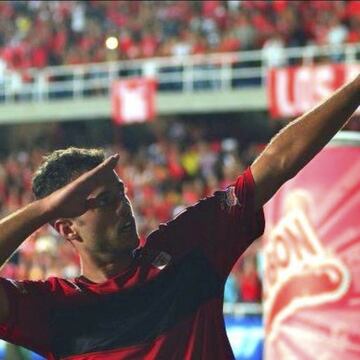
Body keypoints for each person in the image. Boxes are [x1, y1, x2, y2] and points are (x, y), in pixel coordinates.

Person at [0, 74, 359, 360]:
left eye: (121, 192)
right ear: (66, 227)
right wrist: (43, 210)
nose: (123, 205)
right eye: (103, 201)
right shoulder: (54, 309)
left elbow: (277, 163)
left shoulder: (189, 247)